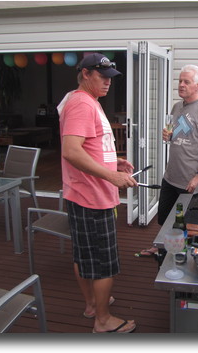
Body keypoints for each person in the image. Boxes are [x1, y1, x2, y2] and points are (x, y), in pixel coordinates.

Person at [57, 53, 138, 333]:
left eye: (110, 78)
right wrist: (111, 176)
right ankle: (102, 321)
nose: (108, 83)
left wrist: (113, 162)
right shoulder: (81, 103)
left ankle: (92, 304)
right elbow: (71, 152)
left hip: (85, 194)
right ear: (86, 74)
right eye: (102, 77)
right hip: (91, 197)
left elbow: (87, 147)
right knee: (103, 263)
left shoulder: (88, 101)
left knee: (85, 256)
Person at [137, 64, 198, 257]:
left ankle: (181, 256)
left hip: (190, 180)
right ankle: (161, 247)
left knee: (186, 221)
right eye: (180, 81)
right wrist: (168, 135)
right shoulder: (177, 106)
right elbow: (176, 135)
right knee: (164, 217)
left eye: (186, 82)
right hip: (171, 175)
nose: (181, 85)